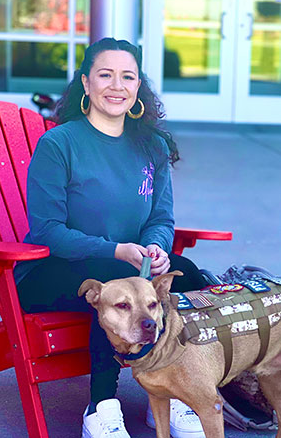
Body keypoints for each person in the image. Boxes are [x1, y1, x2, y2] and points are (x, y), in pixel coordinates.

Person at [14, 38, 206, 438]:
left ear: (138, 87)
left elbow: (161, 217)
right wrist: (116, 250)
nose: (116, 85)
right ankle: (100, 409)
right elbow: (47, 231)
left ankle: (171, 396)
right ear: (86, 84)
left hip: (130, 267)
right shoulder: (59, 144)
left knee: (190, 275)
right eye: (105, 75)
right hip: (52, 272)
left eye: (127, 76)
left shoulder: (150, 146)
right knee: (116, 283)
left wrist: (157, 247)